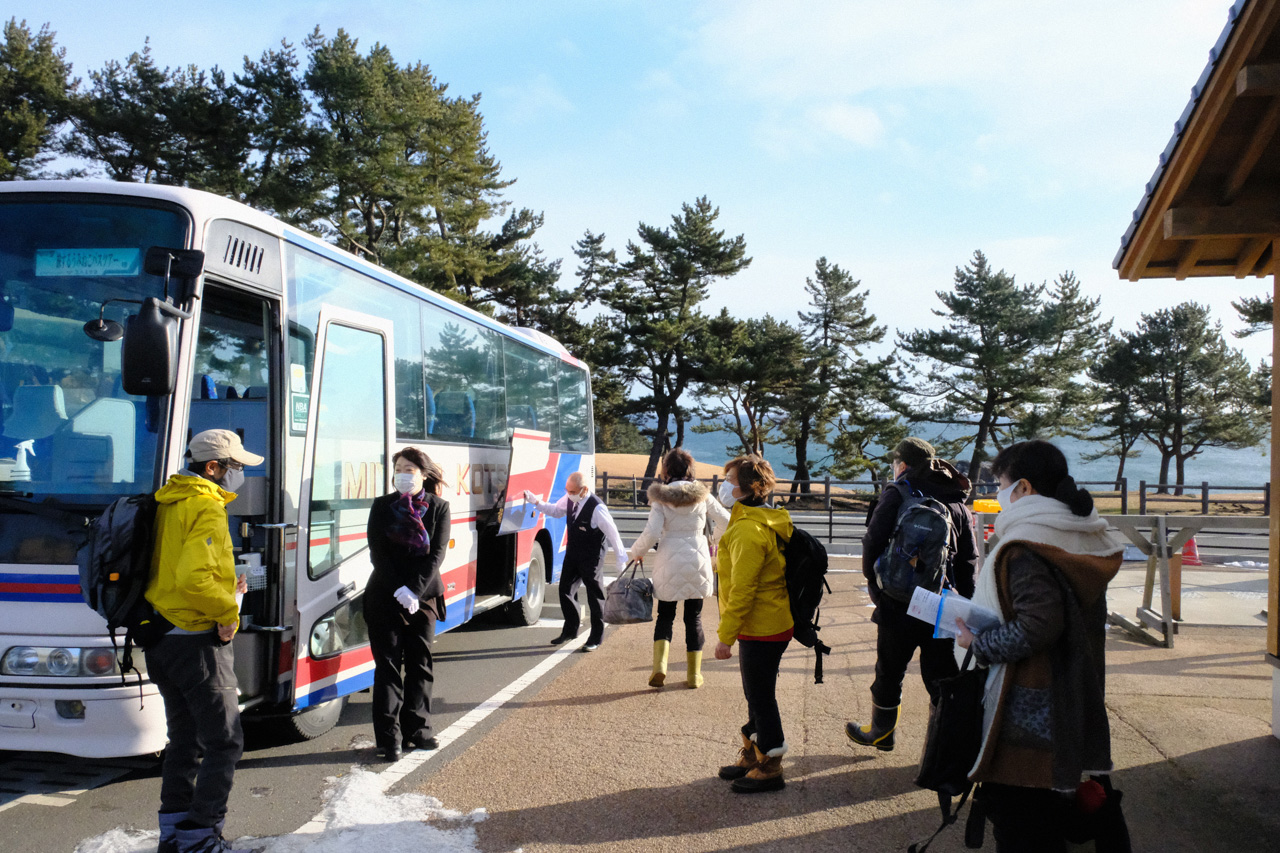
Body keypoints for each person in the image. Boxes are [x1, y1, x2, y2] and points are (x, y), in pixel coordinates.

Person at [954, 440, 1124, 852]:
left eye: (1000, 483)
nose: (997, 493)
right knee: (1047, 816)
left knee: (1020, 823)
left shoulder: (1028, 545)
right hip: (1071, 692)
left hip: (1029, 705)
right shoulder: (1077, 535)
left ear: (1025, 488)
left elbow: (1036, 626)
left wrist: (978, 643)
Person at [145, 429, 261, 853]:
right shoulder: (206, 507)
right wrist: (228, 613)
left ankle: (174, 833)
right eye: (236, 467)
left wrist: (228, 583)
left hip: (161, 638)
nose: (240, 475)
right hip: (197, 642)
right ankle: (200, 837)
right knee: (225, 741)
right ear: (212, 468)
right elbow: (193, 579)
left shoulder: (167, 501)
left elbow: (177, 569)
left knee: (185, 739)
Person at [846, 437, 978, 753]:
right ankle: (943, 750)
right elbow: (968, 559)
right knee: (942, 678)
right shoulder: (955, 500)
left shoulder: (898, 492)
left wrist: (877, 589)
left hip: (897, 603)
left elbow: (872, 542)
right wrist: (964, 604)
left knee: (889, 671)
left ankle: (881, 733)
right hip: (941, 604)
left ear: (902, 464)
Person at [365, 447, 451, 762]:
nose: (403, 474)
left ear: (423, 474)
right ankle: (388, 741)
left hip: (424, 597)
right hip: (384, 596)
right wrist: (398, 588)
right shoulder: (382, 506)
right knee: (387, 668)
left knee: (420, 665)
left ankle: (419, 731)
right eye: (399, 468)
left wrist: (413, 591)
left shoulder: (439, 508)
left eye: (410, 469)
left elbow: (436, 555)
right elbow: (378, 554)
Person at [713, 455, 793, 793]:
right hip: (767, 621)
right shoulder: (760, 518)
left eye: (730, 481)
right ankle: (753, 753)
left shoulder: (747, 529)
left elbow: (743, 589)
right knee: (756, 692)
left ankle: (770, 765)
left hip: (762, 625)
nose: (725, 486)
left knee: (760, 695)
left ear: (748, 488)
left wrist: (725, 637)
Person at [626, 448, 729, 689]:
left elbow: (652, 532)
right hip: (698, 559)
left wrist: (636, 552)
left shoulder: (661, 496)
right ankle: (694, 675)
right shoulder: (703, 495)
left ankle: (659, 668)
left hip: (669, 558)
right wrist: (713, 539)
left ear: (667, 470)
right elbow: (725, 519)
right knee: (694, 618)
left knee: (665, 616)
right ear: (689, 469)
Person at [525, 471, 627, 651]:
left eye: (572, 491)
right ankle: (570, 630)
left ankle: (596, 637)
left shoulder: (597, 508)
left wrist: (621, 558)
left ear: (584, 490)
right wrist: (536, 503)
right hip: (573, 552)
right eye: (567, 490)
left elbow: (613, 533)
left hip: (592, 556)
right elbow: (556, 511)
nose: (568, 494)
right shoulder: (570, 500)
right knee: (565, 589)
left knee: (594, 595)